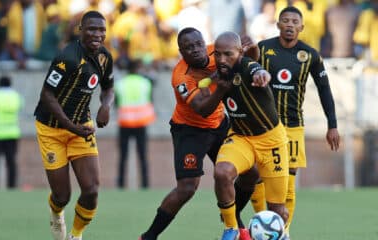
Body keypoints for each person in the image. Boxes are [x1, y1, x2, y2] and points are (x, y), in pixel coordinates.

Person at [139, 27, 258, 240]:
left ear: (205, 43)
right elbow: (202, 109)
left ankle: (232, 218)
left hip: (220, 125)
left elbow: (249, 61)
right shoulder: (180, 76)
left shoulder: (219, 51)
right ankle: (148, 237)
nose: (195, 50)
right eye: (188, 48)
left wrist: (249, 48)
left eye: (198, 44)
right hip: (190, 130)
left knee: (251, 173)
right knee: (186, 188)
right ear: (180, 52)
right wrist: (220, 88)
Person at [250, 6, 340, 236]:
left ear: (301, 27)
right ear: (278, 25)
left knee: (289, 181)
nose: (290, 24)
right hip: (264, 125)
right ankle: (262, 221)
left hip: (293, 126)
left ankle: (283, 231)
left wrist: (332, 125)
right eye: (285, 20)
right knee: (257, 176)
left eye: (294, 22)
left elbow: (324, 89)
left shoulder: (310, 55)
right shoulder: (263, 49)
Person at [197, 31, 290, 240]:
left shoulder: (248, 66)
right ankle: (231, 229)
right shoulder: (220, 74)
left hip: (271, 141)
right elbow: (204, 106)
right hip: (241, 138)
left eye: (228, 54)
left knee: (278, 211)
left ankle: (282, 235)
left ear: (239, 53)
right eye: (217, 54)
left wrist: (262, 75)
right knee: (222, 172)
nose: (221, 59)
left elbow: (257, 67)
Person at [33, 11, 114, 240]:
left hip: (81, 127)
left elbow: (108, 87)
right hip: (51, 129)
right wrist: (71, 126)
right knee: (62, 196)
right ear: (81, 30)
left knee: (91, 190)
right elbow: (47, 95)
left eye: (101, 30)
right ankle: (56, 211)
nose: (97, 34)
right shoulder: (67, 57)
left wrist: (106, 106)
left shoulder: (105, 57)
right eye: (91, 29)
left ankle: (76, 236)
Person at [114, 59, 156, 189]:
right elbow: (150, 99)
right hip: (141, 122)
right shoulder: (146, 83)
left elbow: (116, 103)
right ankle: (145, 184)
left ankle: (120, 184)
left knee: (123, 156)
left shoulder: (120, 84)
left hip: (124, 122)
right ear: (137, 69)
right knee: (143, 156)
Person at [0, 75, 24, 189]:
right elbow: (21, 108)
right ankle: (11, 186)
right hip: (12, 133)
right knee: (11, 162)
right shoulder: (17, 96)